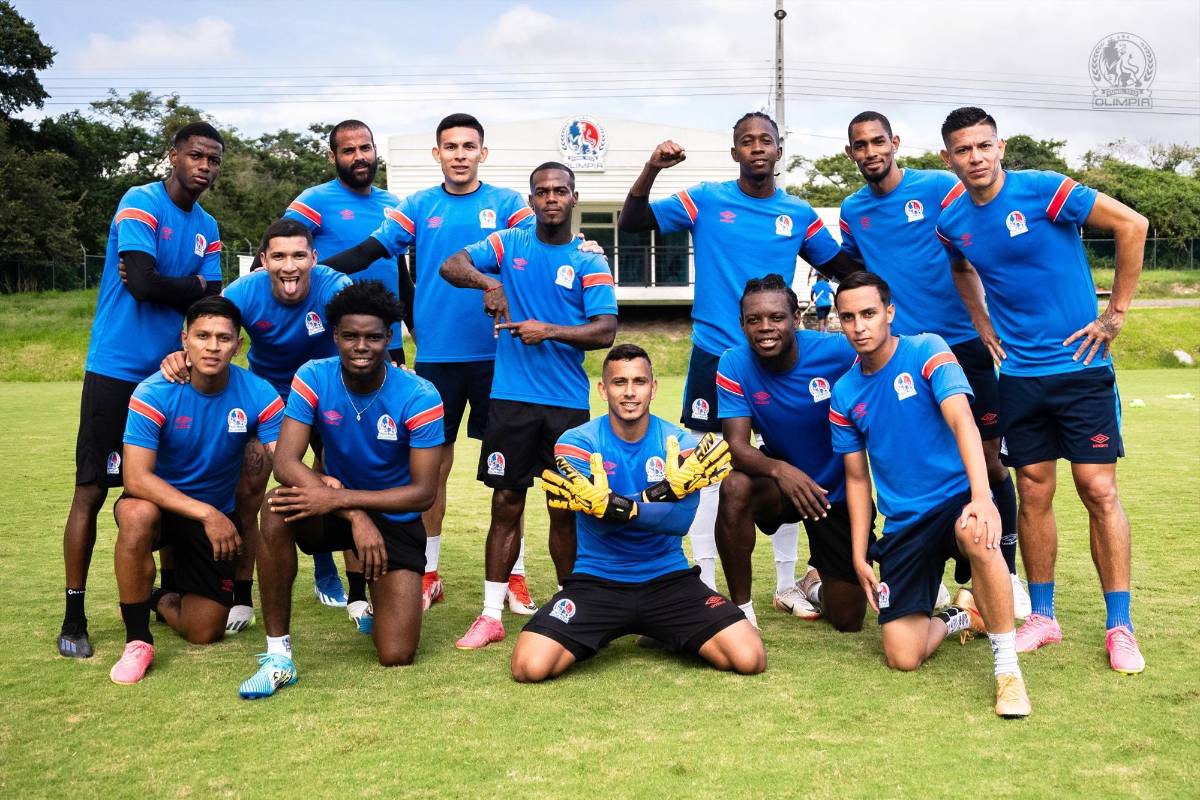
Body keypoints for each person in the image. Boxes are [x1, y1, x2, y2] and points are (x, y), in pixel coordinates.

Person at [935, 106, 1148, 673]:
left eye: (984, 146)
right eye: (963, 150)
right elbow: (961, 269)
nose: (976, 158)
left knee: (1097, 489)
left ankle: (1120, 626)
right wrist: (980, 321)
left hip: (1082, 367)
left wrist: (1114, 314)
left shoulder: (1045, 190)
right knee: (1032, 491)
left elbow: (1133, 225)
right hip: (1019, 376)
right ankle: (1044, 617)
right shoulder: (951, 220)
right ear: (947, 158)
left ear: (1000, 147)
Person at [618, 111, 856, 596]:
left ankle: (788, 585)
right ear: (735, 153)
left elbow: (845, 270)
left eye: (765, 140)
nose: (757, 147)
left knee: (789, 463)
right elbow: (633, 221)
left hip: (780, 360)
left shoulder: (799, 214)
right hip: (716, 355)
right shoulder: (706, 199)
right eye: (747, 141)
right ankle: (706, 581)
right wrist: (653, 167)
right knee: (708, 471)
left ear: (779, 150)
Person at [323, 113, 539, 615]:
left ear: (483, 153)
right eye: (451, 146)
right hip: (438, 358)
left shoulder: (510, 204)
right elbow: (371, 250)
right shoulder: (419, 206)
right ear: (437, 154)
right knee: (431, 471)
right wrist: (316, 268)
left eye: (469, 146)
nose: (460, 154)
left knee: (510, 478)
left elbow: (544, 244)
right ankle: (428, 573)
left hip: (501, 356)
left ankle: (515, 576)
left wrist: (584, 244)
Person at [839, 110, 1028, 617]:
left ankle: (1006, 573)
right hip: (902, 355)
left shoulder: (940, 187)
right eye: (861, 145)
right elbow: (855, 271)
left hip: (963, 343)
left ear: (895, 142)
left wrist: (988, 316)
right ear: (851, 153)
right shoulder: (852, 210)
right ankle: (929, 574)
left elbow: (975, 236)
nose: (871, 152)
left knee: (989, 459)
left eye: (879, 141)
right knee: (917, 461)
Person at [829, 271, 1030, 718]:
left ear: (889, 312)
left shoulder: (928, 350)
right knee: (903, 657)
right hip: (904, 524)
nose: (859, 326)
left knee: (978, 533)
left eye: (868, 313)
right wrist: (859, 554)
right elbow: (857, 480)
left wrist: (982, 497)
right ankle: (961, 615)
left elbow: (963, 421)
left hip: (957, 499)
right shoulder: (844, 393)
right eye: (848, 317)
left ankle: (1007, 670)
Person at [59, 121, 225, 659]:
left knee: (170, 484)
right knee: (92, 490)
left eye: (213, 160)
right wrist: (188, 286)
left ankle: (167, 593)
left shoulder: (209, 226)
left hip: (174, 372)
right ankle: (74, 614)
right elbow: (141, 282)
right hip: (117, 369)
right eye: (196, 155)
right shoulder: (140, 201)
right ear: (173, 156)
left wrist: (184, 290)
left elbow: (209, 299)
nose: (204, 166)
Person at [439, 161, 618, 650]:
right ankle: (490, 614)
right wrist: (489, 284)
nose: (551, 198)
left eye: (560, 190)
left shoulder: (589, 260)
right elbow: (451, 264)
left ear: (574, 197)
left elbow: (605, 330)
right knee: (505, 503)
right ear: (531, 199)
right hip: (511, 400)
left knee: (564, 508)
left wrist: (549, 330)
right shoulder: (509, 242)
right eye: (542, 191)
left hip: (565, 405)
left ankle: (571, 606)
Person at [510, 344, 765, 681]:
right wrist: (660, 494)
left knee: (749, 658)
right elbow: (600, 522)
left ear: (653, 387)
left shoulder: (681, 443)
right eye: (619, 382)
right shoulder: (576, 442)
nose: (630, 392)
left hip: (668, 579)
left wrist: (619, 504)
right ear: (603, 389)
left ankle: (661, 631)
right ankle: (605, 631)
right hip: (598, 580)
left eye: (639, 382)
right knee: (529, 666)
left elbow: (679, 521)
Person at [238, 281, 443, 699]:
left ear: (390, 337)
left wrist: (343, 499)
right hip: (334, 508)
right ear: (335, 336)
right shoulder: (313, 376)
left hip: (394, 516)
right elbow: (285, 463)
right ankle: (278, 655)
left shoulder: (420, 395)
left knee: (396, 653)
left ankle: (376, 602)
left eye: (373, 337)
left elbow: (423, 492)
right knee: (275, 508)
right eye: (350, 336)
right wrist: (352, 513)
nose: (361, 347)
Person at [156, 218, 354, 631]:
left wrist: (392, 364)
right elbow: (207, 326)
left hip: (327, 393)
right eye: (278, 256)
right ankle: (242, 595)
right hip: (269, 397)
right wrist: (178, 356)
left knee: (341, 475)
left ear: (314, 258)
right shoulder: (243, 292)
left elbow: (365, 329)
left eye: (299, 255)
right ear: (263, 260)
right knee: (250, 489)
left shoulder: (336, 287)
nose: (289, 266)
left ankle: (342, 580)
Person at [109, 296, 283, 685]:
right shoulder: (153, 391)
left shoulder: (259, 393)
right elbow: (136, 478)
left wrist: (326, 486)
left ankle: (155, 598)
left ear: (238, 346)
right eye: (202, 336)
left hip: (213, 515)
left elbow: (282, 459)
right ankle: (138, 640)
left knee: (205, 631)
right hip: (165, 508)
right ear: (184, 339)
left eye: (224, 338)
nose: (212, 346)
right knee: (136, 514)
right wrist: (208, 514)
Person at [278, 119, 409, 608]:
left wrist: (408, 334)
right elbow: (286, 252)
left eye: (365, 147)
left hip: (384, 343)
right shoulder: (314, 199)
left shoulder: (394, 206)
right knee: (322, 452)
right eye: (348, 150)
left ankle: (367, 575)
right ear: (333, 156)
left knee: (366, 454)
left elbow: (400, 272)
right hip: (329, 344)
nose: (359, 156)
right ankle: (324, 560)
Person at [714, 275, 866, 630]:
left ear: (796, 319)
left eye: (776, 317)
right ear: (742, 325)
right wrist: (783, 471)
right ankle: (742, 613)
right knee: (735, 486)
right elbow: (736, 447)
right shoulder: (733, 363)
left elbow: (888, 357)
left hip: (836, 493)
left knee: (848, 619)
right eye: (754, 320)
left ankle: (811, 585)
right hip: (780, 486)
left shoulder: (838, 351)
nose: (765, 327)